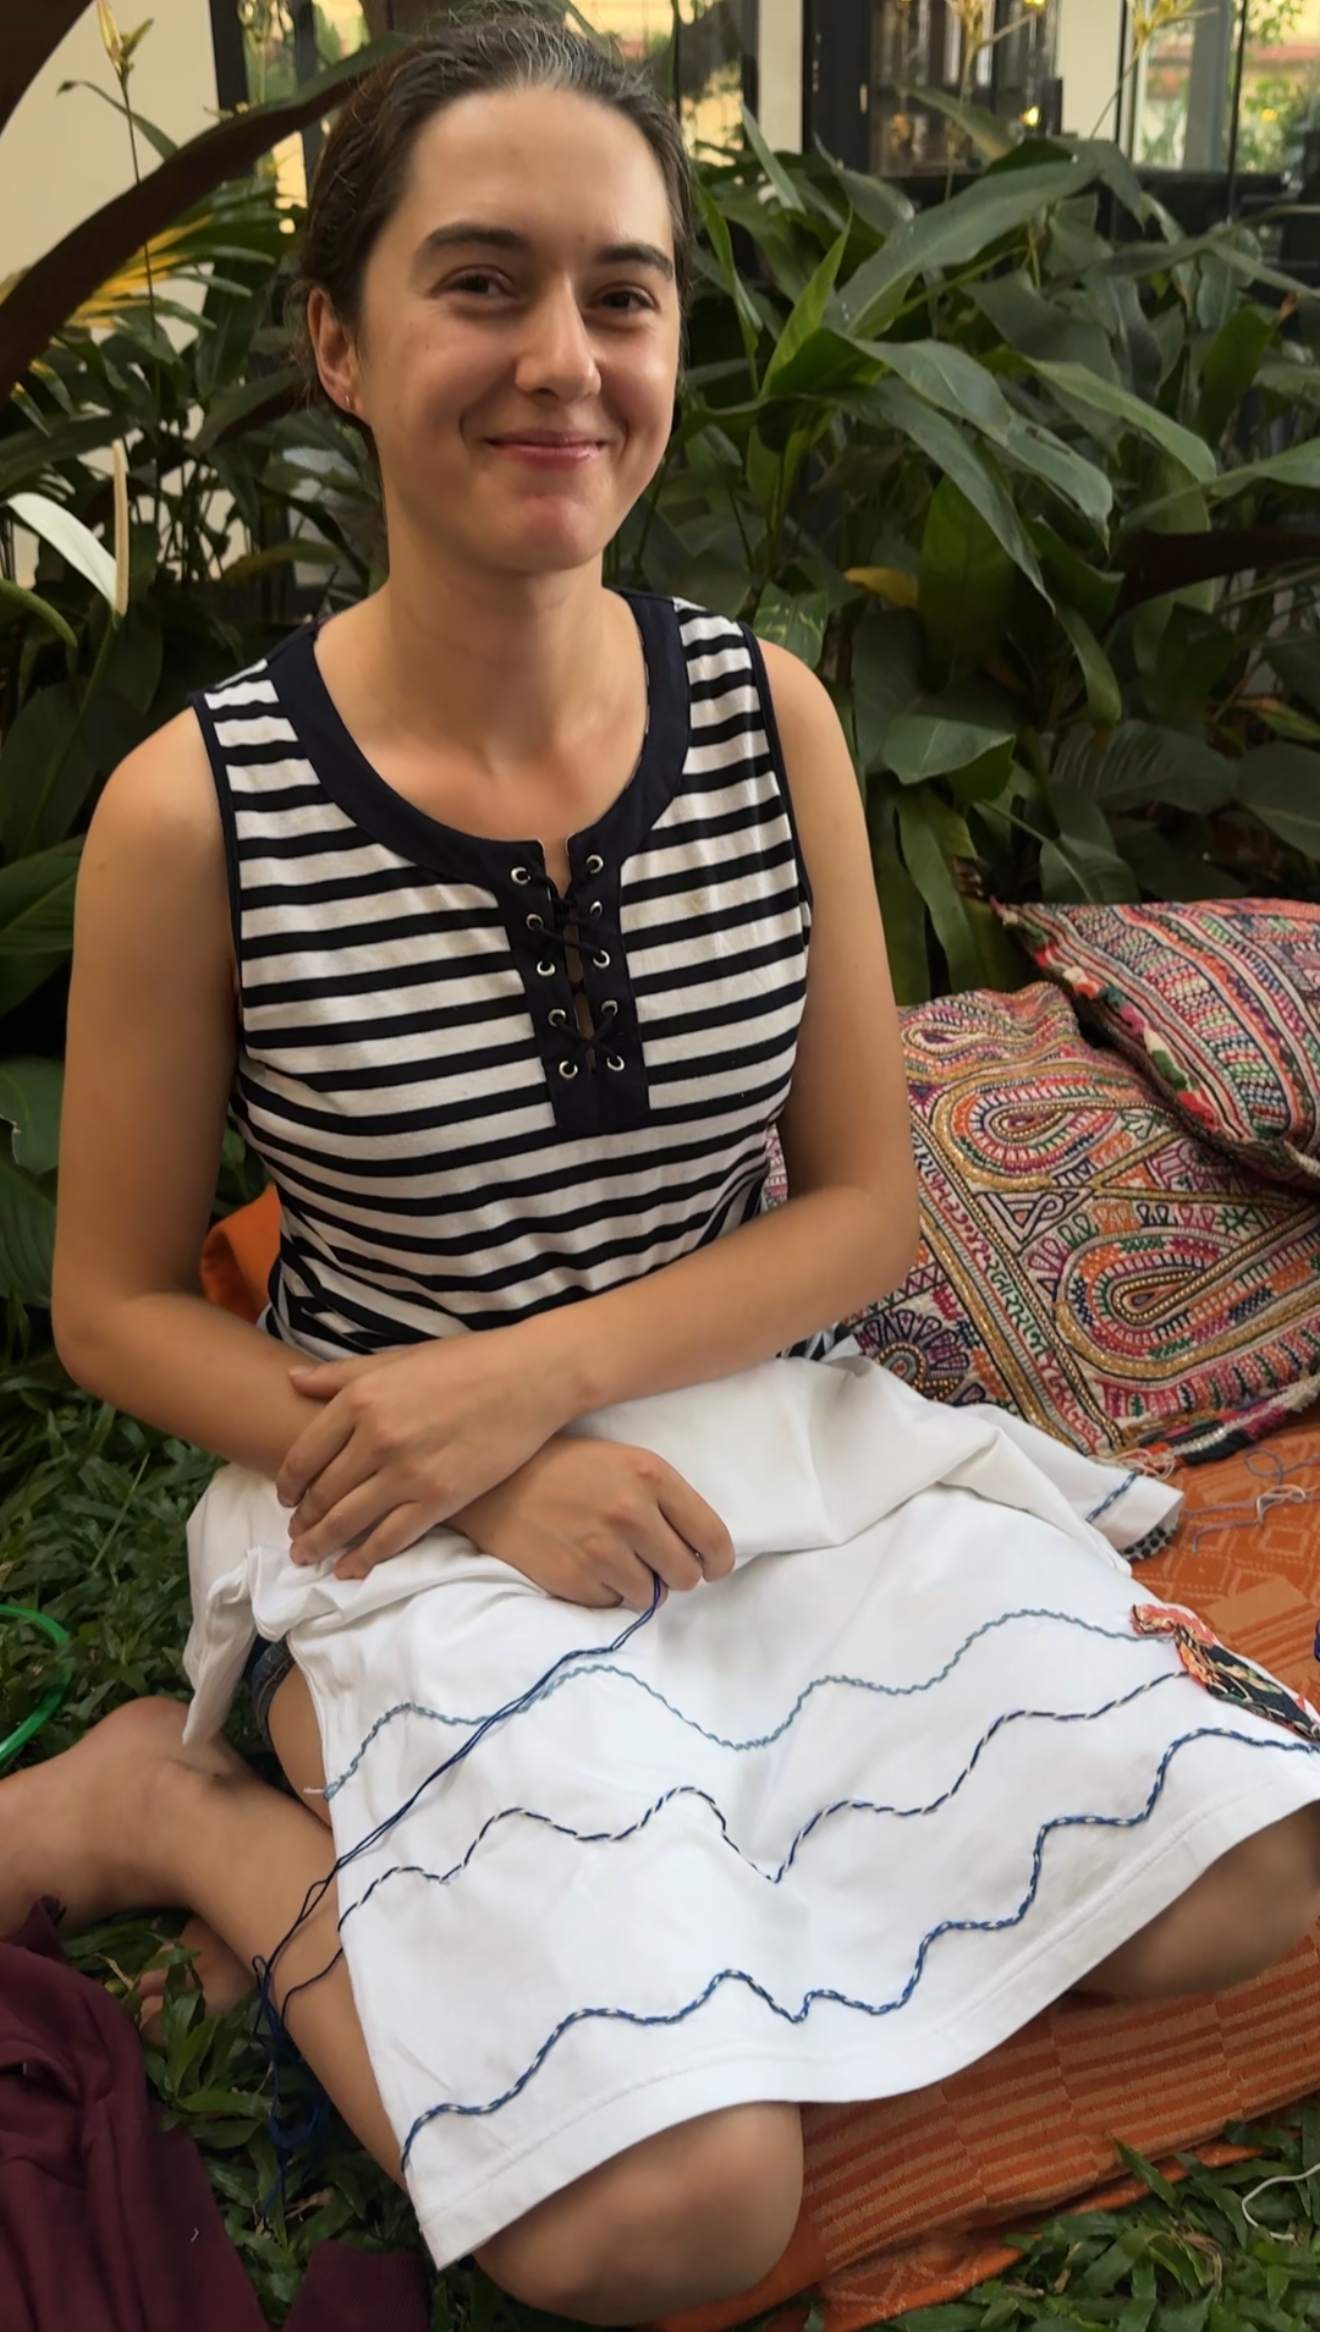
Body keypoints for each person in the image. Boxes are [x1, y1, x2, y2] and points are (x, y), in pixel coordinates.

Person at [4, 11, 1320, 2324]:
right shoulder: (197, 810)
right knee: (665, 2221)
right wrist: (479, 1460)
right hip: (386, 1499)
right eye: (479, 281)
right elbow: (109, 1305)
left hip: (754, 1450)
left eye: (621, 293)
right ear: (340, 341)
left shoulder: (763, 716)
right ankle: (179, 1809)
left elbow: (860, 1211)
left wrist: (542, 1382)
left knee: (1260, 1867)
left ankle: (672, 1880)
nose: (563, 357)